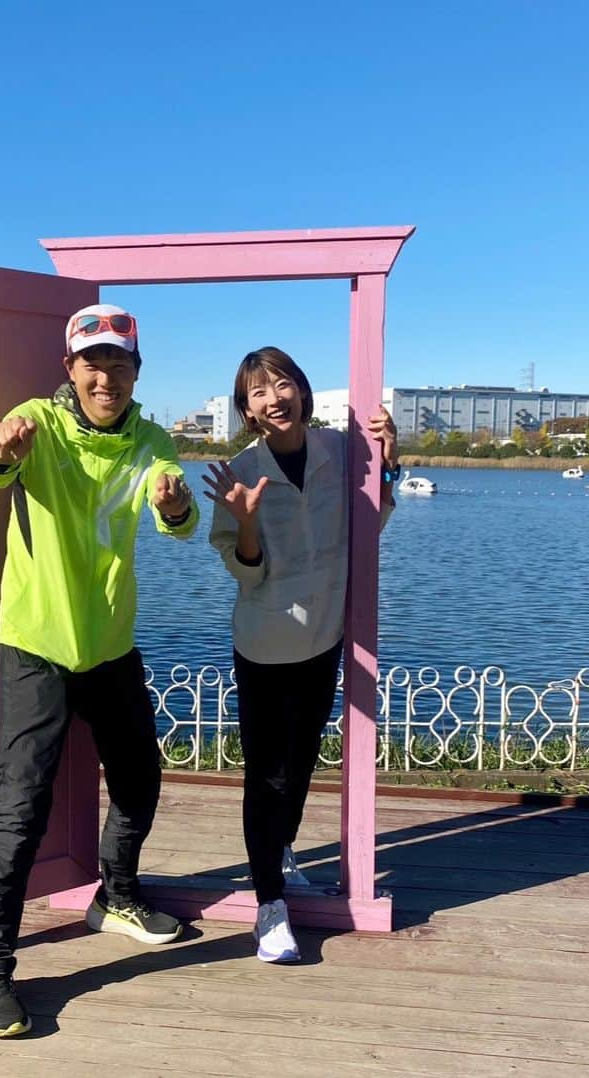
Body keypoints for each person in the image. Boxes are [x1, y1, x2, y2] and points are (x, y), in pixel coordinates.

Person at [0, 303, 198, 1037]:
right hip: (35, 643)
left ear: (135, 372)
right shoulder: (37, 420)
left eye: (120, 364)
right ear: (70, 368)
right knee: (21, 808)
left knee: (139, 777)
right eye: (92, 363)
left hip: (111, 646)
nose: (106, 376)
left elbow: (177, 520)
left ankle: (117, 893)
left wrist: (179, 503)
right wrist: (2, 451)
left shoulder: (150, 440)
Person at [203, 346, 397, 964]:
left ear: (303, 391)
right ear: (247, 410)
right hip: (264, 641)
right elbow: (246, 572)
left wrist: (389, 463)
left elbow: (371, 525)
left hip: (324, 634)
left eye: (282, 383)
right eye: (259, 392)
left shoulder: (343, 453)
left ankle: (280, 847)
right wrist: (249, 523)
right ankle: (269, 906)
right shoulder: (238, 471)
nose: (274, 398)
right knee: (269, 773)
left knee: (305, 756)